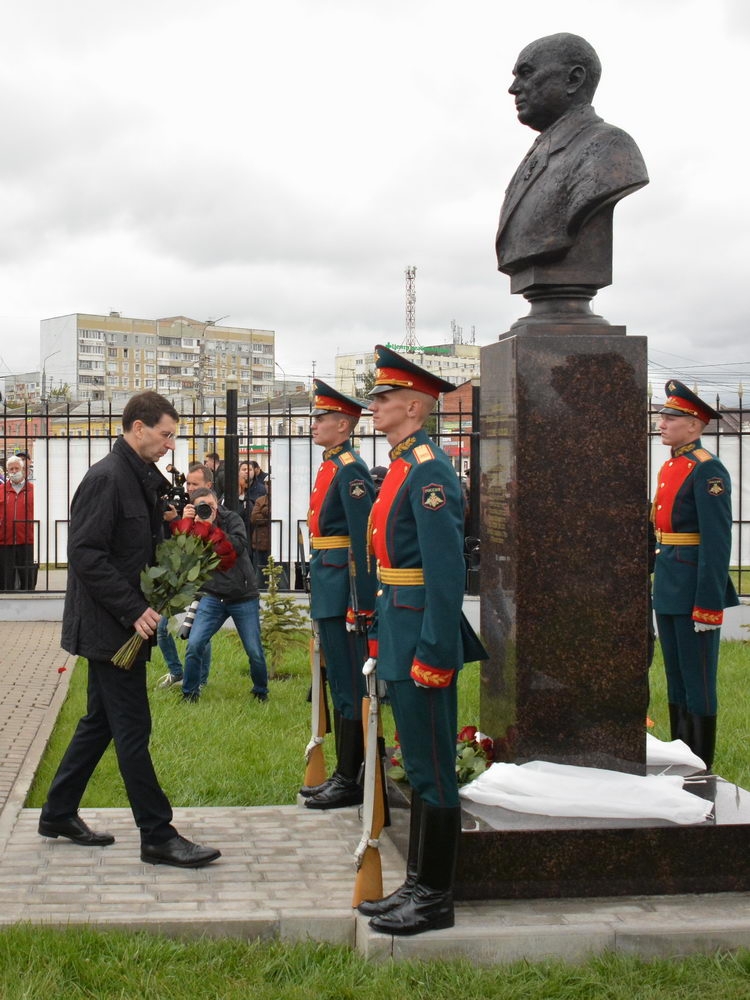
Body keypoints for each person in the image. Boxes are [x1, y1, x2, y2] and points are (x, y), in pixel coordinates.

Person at [39, 391, 220, 868]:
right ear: (138, 428)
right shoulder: (106, 478)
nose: (169, 445)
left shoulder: (138, 477)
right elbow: (85, 553)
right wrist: (132, 609)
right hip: (110, 626)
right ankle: (157, 835)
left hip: (122, 624)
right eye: (165, 435)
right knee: (132, 728)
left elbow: (133, 547)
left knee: (99, 723)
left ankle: (57, 812)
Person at [357, 345, 485, 936]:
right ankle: (417, 885)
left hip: (422, 634)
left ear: (413, 405)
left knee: (433, 765)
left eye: (383, 398)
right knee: (418, 758)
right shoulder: (405, 463)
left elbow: (445, 573)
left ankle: (435, 898)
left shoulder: (429, 469)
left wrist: (435, 651)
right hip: (398, 620)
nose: (374, 407)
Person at [496, 33, 648, 291]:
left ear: (573, 79)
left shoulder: (608, 148)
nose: (513, 88)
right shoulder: (538, 153)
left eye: (526, 73)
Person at [651, 380, 739, 770]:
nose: (662, 422)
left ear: (694, 425)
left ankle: (701, 766)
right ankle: (680, 756)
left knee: (698, 681)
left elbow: (717, 542)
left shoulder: (708, 469)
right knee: (676, 678)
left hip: (693, 588)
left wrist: (708, 603)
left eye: (671, 417)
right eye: (663, 415)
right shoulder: (672, 465)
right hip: (670, 582)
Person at [301, 380, 377, 810]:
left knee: (349, 682)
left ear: (344, 426)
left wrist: (360, 602)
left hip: (343, 588)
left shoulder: (350, 467)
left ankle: (350, 777)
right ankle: (345, 773)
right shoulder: (332, 464)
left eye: (322, 419)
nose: (315, 425)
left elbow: (362, 540)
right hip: (327, 581)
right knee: (338, 681)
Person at [179, 487, 269, 704]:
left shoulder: (232, 519)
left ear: (216, 503)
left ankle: (260, 692)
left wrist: (210, 527)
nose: (207, 510)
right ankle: (189, 694)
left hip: (243, 595)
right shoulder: (193, 526)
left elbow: (237, 546)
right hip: (212, 595)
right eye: (202, 506)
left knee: (254, 651)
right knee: (194, 644)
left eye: (210, 505)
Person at [157, 463, 216, 690]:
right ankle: (176, 672)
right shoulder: (183, 507)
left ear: (208, 486)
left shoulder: (213, 511)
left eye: (195, 484)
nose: (190, 488)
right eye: (188, 483)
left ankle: (200, 680)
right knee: (162, 629)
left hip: (203, 581)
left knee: (200, 633)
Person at [0, 455, 35, 590]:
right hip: (4, 543)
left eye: (16, 468)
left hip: (27, 542)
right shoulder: (1, 490)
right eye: (11, 469)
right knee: (5, 582)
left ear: (23, 469)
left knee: (27, 581)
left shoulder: (33, 490)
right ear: (7, 471)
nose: (14, 471)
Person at [250, 477, 272, 580]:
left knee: (281, 574)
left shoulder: (284, 499)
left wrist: (263, 510)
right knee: (260, 574)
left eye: (270, 483)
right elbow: (254, 518)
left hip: (280, 544)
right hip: (261, 542)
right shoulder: (260, 500)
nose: (268, 486)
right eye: (266, 484)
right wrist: (268, 512)